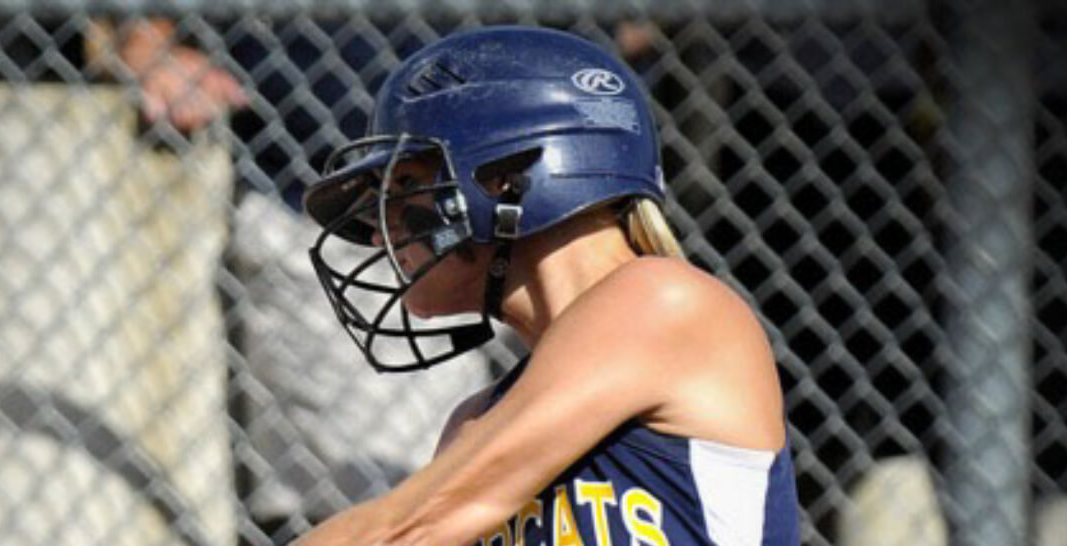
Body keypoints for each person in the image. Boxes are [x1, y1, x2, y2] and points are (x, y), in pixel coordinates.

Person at [290, 26, 799, 545]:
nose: (379, 229)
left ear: (505, 179)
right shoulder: (472, 422)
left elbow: (410, 528)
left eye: (404, 185)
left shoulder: (665, 303)